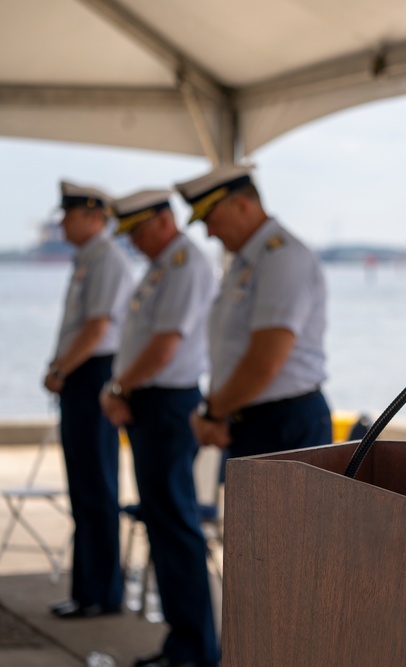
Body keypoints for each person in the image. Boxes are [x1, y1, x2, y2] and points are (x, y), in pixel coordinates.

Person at [99, 190, 220, 667]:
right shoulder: (163, 265)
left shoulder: (185, 263)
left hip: (168, 404)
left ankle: (194, 650)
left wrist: (118, 386)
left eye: (138, 231)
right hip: (152, 403)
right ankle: (182, 643)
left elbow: (166, 345)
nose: (134, 243)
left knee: (174, 525)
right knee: (164, 524)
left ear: (163, 221)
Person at [175, 165, 332, 458]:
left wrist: (211, 413)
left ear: (242, 205)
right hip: (252, 418)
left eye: (211, 219)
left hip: (284, 423)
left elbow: (265, 362)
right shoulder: (248, 260)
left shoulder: (281, 258)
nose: (209, 233)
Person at [44, 181, 133, 619]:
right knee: (84, 488)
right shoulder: (89, 258)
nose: (62, 222)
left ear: (94, 216)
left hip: (94, 374)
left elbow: (98, 328)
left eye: (69, 215)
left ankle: (102, 593)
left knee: (96, 486)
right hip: (81, 376)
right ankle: (87, 591)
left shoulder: (106, 259)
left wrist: (61, 369)